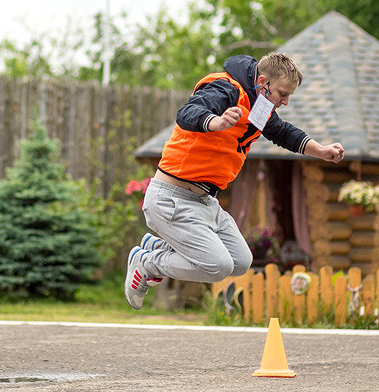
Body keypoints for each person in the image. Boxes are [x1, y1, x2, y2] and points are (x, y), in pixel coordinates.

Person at [124, 52, 345, 309]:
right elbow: (188, 112)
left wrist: (321, 151)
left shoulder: (259, 105)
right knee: (217, 266)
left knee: (240, 261)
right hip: (171, 199)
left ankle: (157, 246)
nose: (285, 102)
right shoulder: (225, 88)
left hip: (205, 202)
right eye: (282, 94)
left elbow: (283, 133)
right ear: (262, 82)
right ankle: (147, 264)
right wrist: (215, 121)